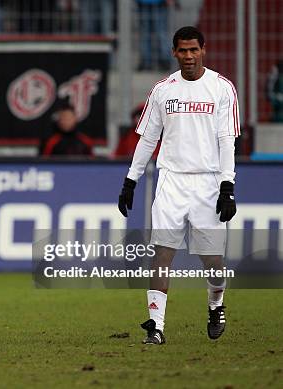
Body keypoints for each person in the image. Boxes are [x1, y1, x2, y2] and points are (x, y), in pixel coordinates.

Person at [118, 26, 239, 344]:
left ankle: (216, 304)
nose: (188, 56)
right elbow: (148, 139)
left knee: (213, 262)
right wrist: (131, 180)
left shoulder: (222, 88)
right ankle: (156, 326)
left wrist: (228, 186)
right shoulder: (162, 90)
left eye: (193, 50)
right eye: (182, 51)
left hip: (208, 182)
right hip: (170, 180)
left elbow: (227, 141)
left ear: (203, 50)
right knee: (161, 254)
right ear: (174, 52)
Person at [136, 0, 176, 71]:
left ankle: (164, 60)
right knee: (147, 33)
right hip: (144, 3)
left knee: (160, 33)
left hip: (159, 3)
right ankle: (148, 61)